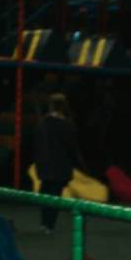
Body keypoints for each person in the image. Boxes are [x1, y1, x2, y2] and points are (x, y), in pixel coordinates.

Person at [31, 92, 87, 234]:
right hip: (60, 166)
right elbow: (72, 148)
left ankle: (44, 223)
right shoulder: (67, 125)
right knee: (55, 195)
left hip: (44, 165)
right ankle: (49, 225)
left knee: (45, 194)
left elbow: (37, 144)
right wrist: (82, 165)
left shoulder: (43, 123)